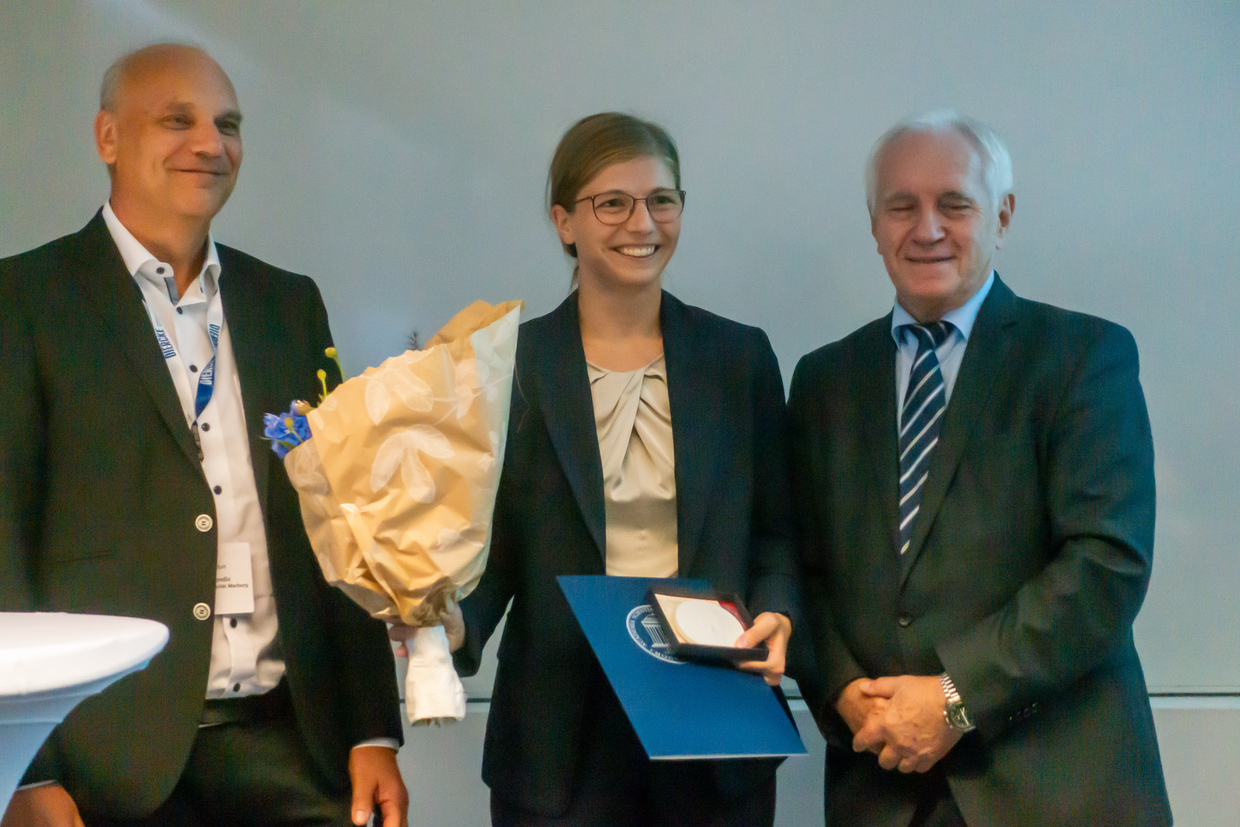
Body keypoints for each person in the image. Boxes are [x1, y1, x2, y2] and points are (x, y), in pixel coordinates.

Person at [0, 44, 407, 827]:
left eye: (228, 124)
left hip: (290, 741)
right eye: (176, 121)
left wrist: (371, 728)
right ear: (108, 137)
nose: (210, 144)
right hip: (100, 759)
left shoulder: (289, 303)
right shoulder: (23, 299)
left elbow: (338, 517)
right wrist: (24, 770)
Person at [787, 111, 1172, 826]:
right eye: (901, 206)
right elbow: (803, 568)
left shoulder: (1083, 356)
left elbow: (1106, 563)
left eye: (954, 203)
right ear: (874, 224)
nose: (926, 227)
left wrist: (956, 697)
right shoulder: (822, 381)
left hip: (1058, 791)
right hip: (882, 789)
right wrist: (841, 687)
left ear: (1003, 214)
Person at [447, 112, 799, 826]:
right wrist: (451, 625)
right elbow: (495, 554)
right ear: (564, 221)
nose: (642, 221)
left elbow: (779, 532)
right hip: (558, 733)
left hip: (711, 714)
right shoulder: (508, 365)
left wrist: (778, 612)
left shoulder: (741, 358)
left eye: (661, 200)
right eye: (613, 202)